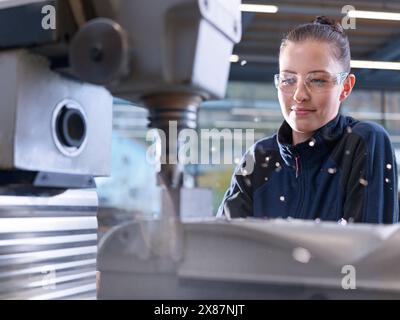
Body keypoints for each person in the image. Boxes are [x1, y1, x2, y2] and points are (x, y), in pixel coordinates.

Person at [217, 16, 399, 224]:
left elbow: (365, 249)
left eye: (318, 81)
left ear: (346, 87)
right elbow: (225, 243)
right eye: (288, 80)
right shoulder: (259, 158)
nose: (299, 95)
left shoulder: (362, 142)